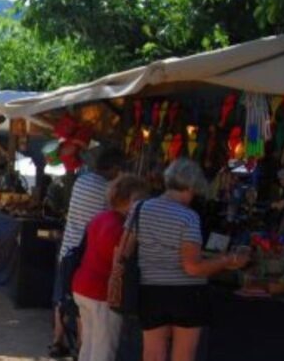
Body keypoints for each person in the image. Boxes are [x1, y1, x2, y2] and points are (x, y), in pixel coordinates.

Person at [130, 159, 249, 361]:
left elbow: (126, 250)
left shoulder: (140, 208)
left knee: (152, 355)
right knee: (183, 356)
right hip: (186, 294)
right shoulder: (188, 217)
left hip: (149, 290)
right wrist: (226, 261)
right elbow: (192, 267)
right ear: (191, 186)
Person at [50, 146, 123, 358]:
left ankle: (58, 340)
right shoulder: (106, 190)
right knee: (86, 315)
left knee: (63, 300)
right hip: (83, 255)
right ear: (115, 168)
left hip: (67, 250)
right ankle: (80, 346)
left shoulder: (82, 181)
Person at [73, 175, 149, 361]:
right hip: (101, 292)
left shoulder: (101, 218)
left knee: (89, 344)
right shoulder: (120, 228)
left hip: (83, 285)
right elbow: (118, 259)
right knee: (103, 349)